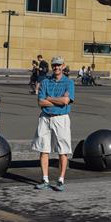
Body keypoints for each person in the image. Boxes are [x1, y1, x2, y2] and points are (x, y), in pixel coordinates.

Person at [32, 57, 75, 192]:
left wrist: (49, 99)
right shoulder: (45, 82)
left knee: (63, 150)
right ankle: (45, 179)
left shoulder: (69, 83)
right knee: (43, 149)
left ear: (63, 66)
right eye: (54, 65)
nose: (56, 67)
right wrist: (58, 100)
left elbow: (66, 101)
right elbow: (40, 102)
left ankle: (61, 180)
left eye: (58, 65)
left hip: (61, 119)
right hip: (45, 118)